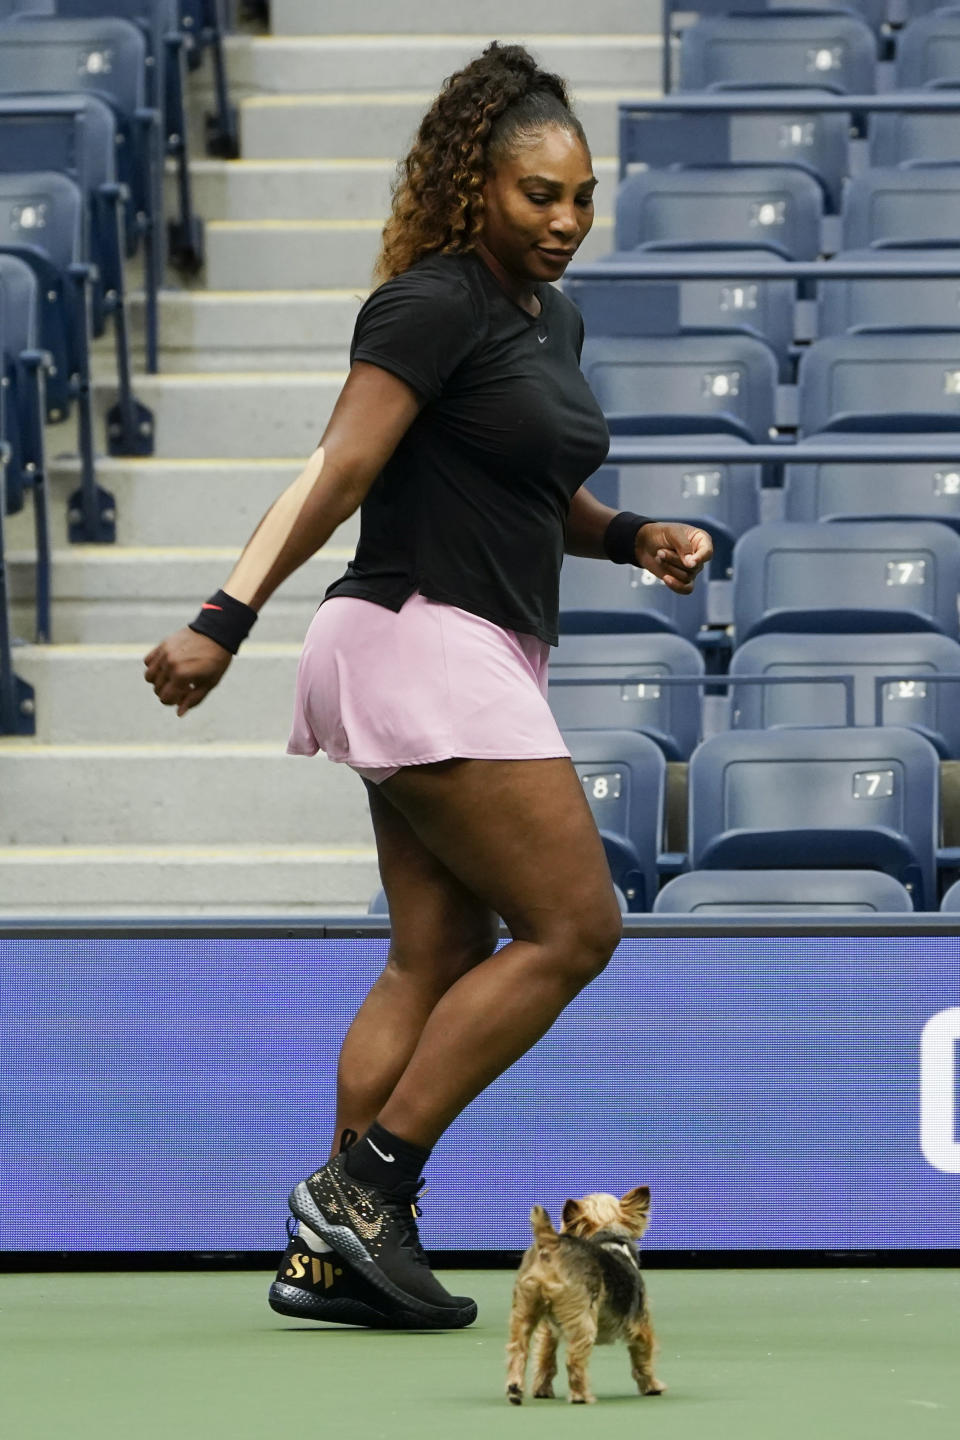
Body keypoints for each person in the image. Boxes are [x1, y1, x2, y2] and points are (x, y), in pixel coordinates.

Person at [143, 41, 712, 1332]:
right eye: (536, 196)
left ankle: (336, 1264)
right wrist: (222, 617)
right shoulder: (431, 302)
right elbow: (338, 469)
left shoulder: (540, 318)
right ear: (476, 189)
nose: (565, 220)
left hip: (462, 646)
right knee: (577, 928)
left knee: (439, 947)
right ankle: (366, 1189)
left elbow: (525, 482)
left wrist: (630, 537)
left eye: (581, 196)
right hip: (416, 634)